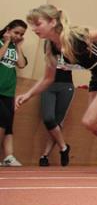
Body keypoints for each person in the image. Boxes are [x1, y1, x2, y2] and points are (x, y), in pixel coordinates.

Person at [16, 5, 97, 174]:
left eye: (37, 23)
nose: (34, 28)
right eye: (32, 24)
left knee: (89, 121)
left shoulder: (76, 35)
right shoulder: (50, 46)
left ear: (52, 21)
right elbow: (48, 79)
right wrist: (27, 94)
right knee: (94, 126)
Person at [37, 33, 74, 167]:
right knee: (48, 119)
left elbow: (81, 64)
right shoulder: (49, 45)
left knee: (57, 123)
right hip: (49, 85)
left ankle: (45, 155)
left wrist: (69, 65)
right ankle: (64, 147)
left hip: (66, 86)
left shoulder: (70, 45)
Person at [1, 20, 28, 167]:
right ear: (8, 29)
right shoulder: (2, 42)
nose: (18, 36)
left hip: (9, 91)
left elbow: (22, 64)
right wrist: (6, 42)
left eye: (21, 34)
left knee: (8, 123)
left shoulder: (15, 46)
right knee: (2, 120)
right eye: (16, 32)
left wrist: (17, 46)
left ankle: (9, 157)